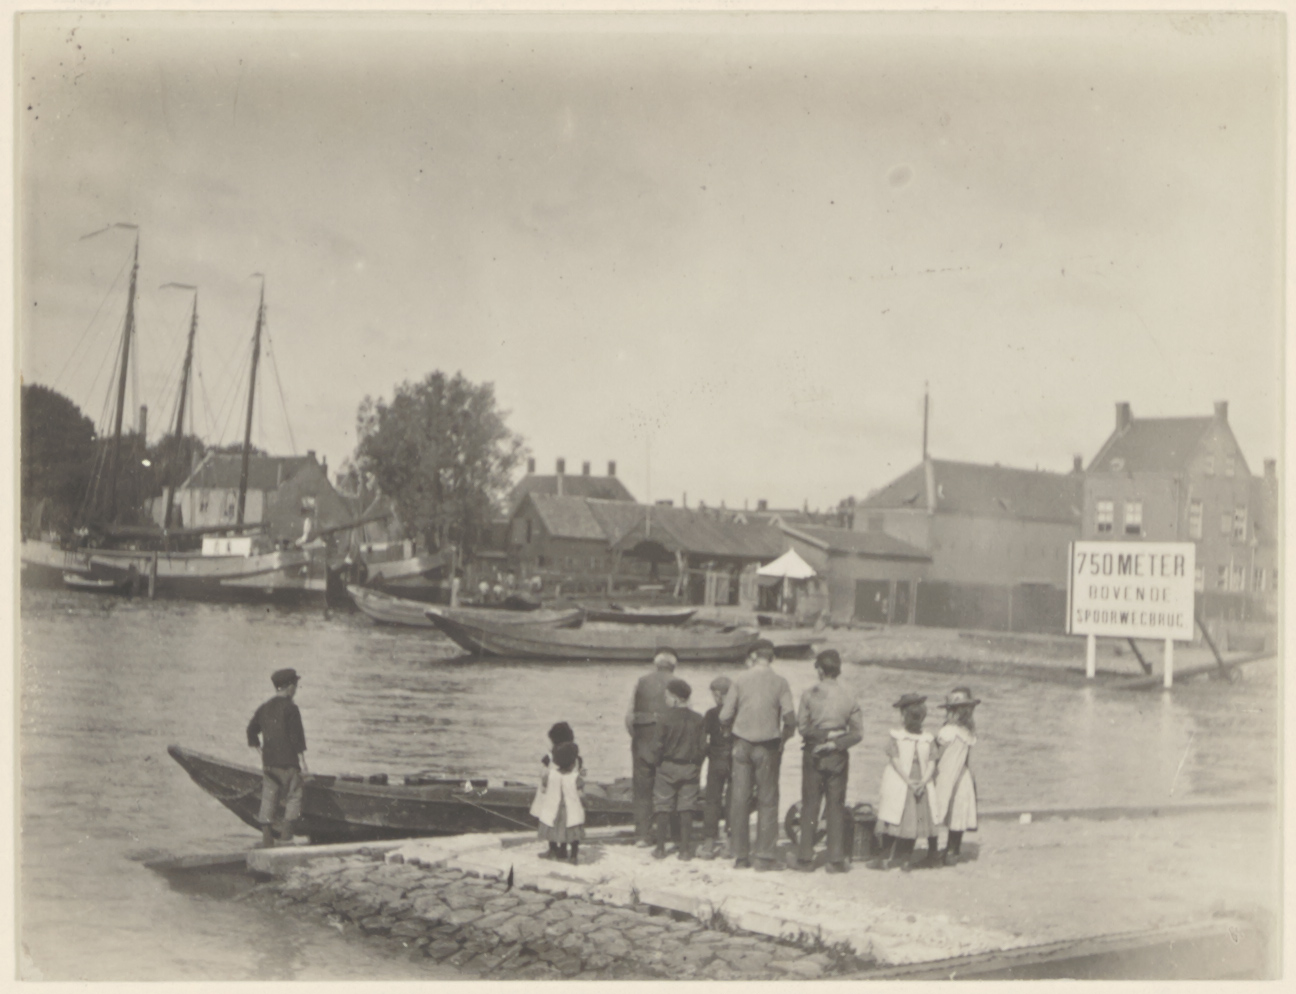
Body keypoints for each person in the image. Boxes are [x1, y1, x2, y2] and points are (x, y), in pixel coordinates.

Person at [719, 639, 795, 870]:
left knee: (739, 799)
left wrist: (730, 733)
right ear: (772, 658)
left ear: (753, 657)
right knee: (768, 800)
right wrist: (784, 739)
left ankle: (740, 856)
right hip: (768, 746)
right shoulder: (780, 682)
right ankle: (764, 857)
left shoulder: (740, 680)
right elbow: (790, 719)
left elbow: (724, 716)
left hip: (741, 744)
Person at [794, 650, 863, 874]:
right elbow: (857, 734)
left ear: (821, 670)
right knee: (836, 805)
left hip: (813, 753)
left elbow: (802, 727)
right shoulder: (849, 696)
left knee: (810, 804)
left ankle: (805, 859)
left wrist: (822, 737)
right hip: (838, 755)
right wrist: (835, 742)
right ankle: (835, 859)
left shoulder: (809, 694)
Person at [871, 693, 938, 871]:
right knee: (913, 821)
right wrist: (923, 782)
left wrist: (909, 781)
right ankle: (905, 859)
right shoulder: (928, 738)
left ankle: (884, 858)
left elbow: (895, 761)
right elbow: (932, 763)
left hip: (901, 781)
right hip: (920, 783)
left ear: (903, 716)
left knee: (893, 819)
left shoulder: (896, 736)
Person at [247, 668, 308, 848]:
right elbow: (297, 738)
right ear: (289, 687)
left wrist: (261, 752)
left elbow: (251, 731)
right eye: (295, 685)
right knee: (294, 796)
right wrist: (303, 764)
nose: (296, 689)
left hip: (269, 764)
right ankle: (286, 839)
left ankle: (267, 840)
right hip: (288, 764)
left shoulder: (264, 707)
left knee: (268, 798)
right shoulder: (291, 708)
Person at [649, 678, 708, 861]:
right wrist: (696, 765)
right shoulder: (698, 719)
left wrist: (658, 763)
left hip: (667, 767)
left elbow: (657, 746)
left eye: (667, 696)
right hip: (690, 768)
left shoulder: (664, 718)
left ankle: (660, 849)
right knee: (687, 808)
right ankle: (685, 850)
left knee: (663, 806)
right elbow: (702, 747)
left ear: (675, 698)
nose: (666, 699)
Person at [625, 648, 678, 846]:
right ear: (673, 666)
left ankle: (642, 835)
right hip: (668, 739)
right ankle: (670, 833)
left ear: (656, 665)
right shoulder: (679, 684)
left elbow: (629, 717)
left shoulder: (641, 682)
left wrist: (637, 737)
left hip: (643, 738)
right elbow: (684, 716)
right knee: (669, 785)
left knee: (642, 788)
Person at [932, 687, 980, 866]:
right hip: (962, 774)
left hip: (945, 774)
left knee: (938, 809)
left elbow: (938, 755)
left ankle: (935, 852)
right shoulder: (968, 733)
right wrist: (972, 780)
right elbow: (968, 761)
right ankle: (953, 850)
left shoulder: (947, 731)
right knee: (958, 812)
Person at [530, 740, 585, 864]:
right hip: (570, 809)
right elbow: (580, 794)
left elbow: (543, 789)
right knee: (572, 832)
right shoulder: (575, 777)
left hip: (553, 808)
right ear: (572, 762)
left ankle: (553, 851)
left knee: (552, 829)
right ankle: (573, 856)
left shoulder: (550, 774)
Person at [700, 675, 734, 859]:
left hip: (715, 761)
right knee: (732, 800)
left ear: (719, 694)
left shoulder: (711, 714)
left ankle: (708, 843)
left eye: (714, 694)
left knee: (712, 800)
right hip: (734, 760)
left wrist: (707, 754)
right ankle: (729, 843)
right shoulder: (738, 712)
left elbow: (703, 741)